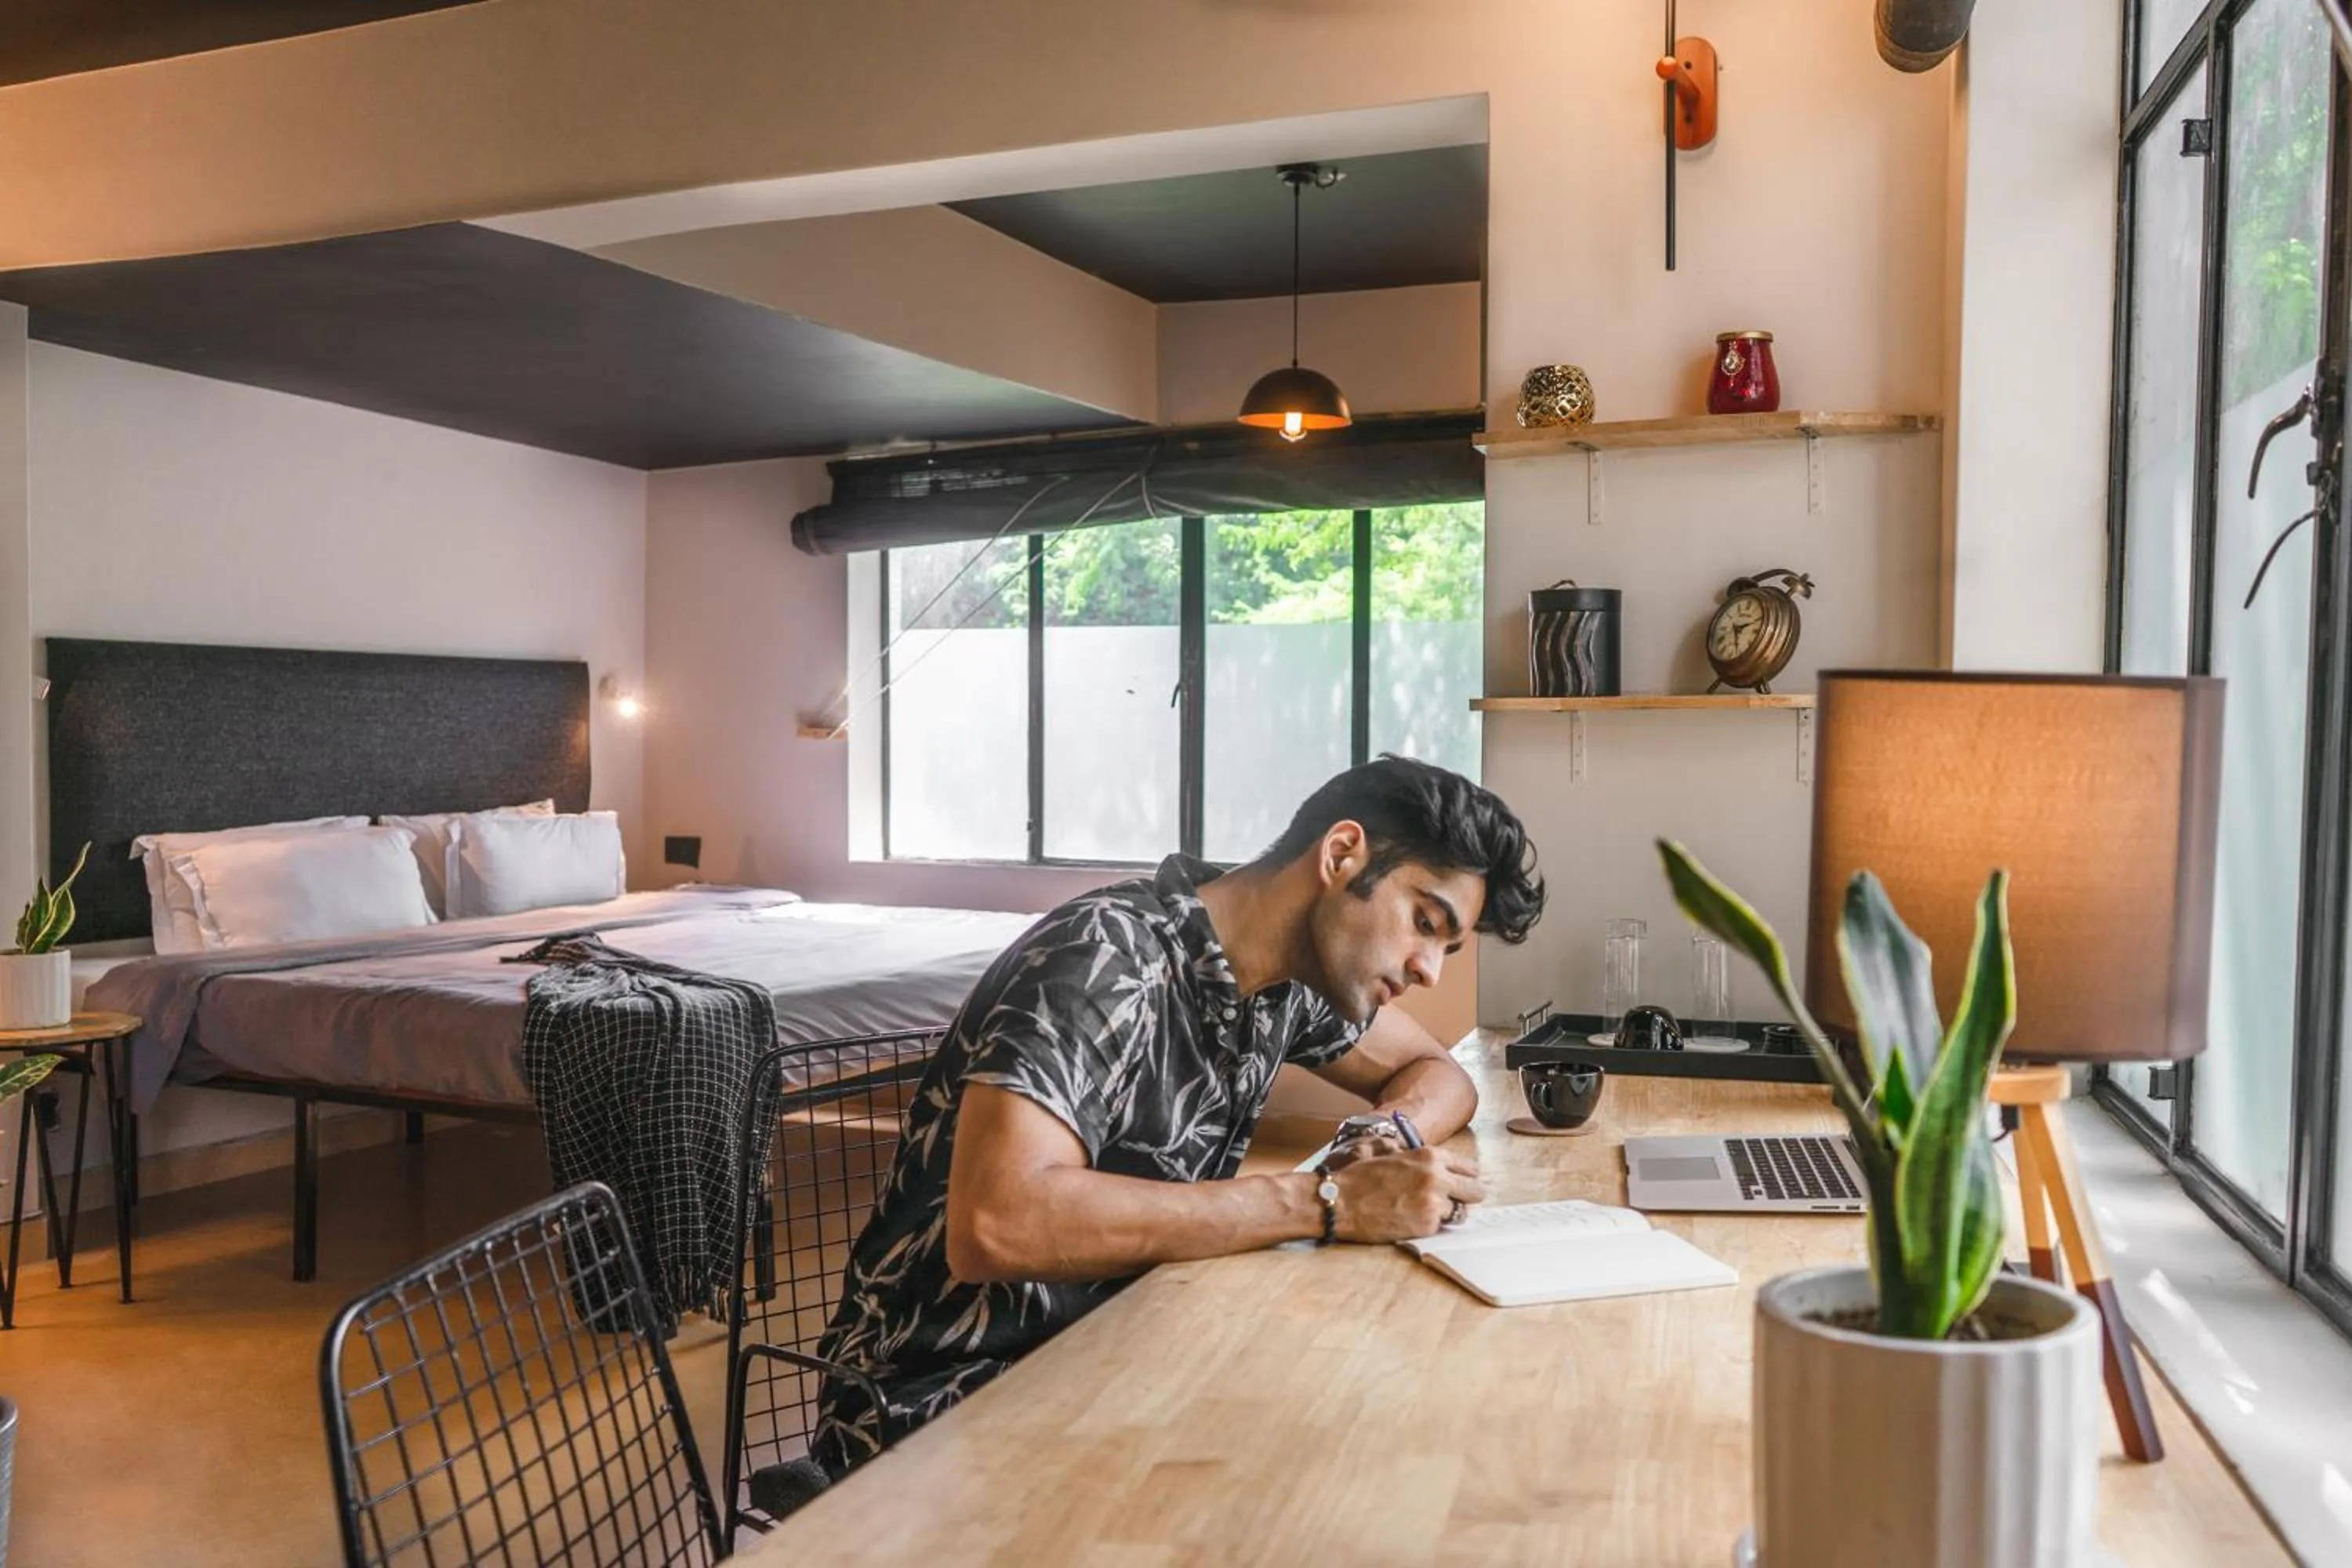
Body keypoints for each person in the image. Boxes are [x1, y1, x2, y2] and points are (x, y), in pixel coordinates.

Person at [810, 755, 1545, 1474]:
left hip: (1117, 1356)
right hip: (935, 1415)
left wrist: (1382, 1136)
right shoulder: (1103, 959)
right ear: (1341, 855)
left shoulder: (1286, 983)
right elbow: (998, 1223)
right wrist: (1326, 1201)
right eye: (1424, 921)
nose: (1429, 969)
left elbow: (1441, 1077)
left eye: (1446, 946)